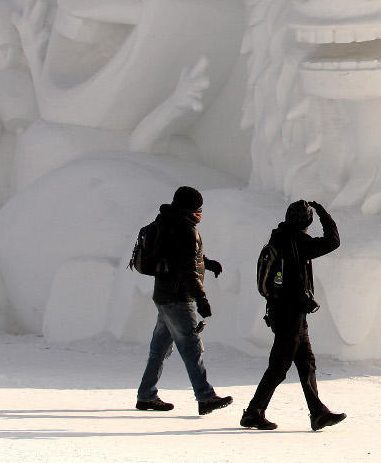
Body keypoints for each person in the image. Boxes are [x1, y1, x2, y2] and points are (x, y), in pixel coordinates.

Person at [241, 200, 346, 431]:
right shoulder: (298, 241)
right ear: (306, 221)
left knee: (306, 363)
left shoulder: (278, 237)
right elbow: (333, 242)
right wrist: (324, 214)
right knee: (279, 366)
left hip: (283, 311)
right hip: (291, 315)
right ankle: (253, 412)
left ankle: (318, 413)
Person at [136, 185, 232, 415]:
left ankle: (146, 395)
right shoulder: (186, 230)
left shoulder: (166, 222)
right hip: (179, 298)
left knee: (159, 348)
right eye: (198, 209)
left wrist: (206, 262)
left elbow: (181, 256)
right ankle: (205, 397)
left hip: (164, 296)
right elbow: (187, 269)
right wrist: (202, 300)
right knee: (191, 347)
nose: (200, 214)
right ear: (191, 209)